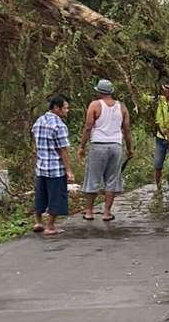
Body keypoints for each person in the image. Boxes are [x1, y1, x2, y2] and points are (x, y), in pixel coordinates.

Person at [78, 79, 133, 221]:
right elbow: (126, 129)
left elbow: (88, 127)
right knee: (112, 179)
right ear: (111, 92)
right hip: (116, 146)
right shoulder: (122, 107)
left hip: (98, 145)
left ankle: (89, 211)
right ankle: (106, 212)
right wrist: (129, 148)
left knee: (93, 178)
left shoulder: (95, 105)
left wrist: (82, 146)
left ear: (98, 91)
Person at [31, 95, 75, 235]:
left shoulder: (39, 121)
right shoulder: (59, 125)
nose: (67, 111)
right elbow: (63, 150)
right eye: (65, 108)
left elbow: (36, 143)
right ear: (56, 108)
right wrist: (68, 170)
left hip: (41, 165)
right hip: (55, 167)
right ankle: (50, 226)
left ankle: (38, 222)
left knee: (41, 195)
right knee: (56, 196)